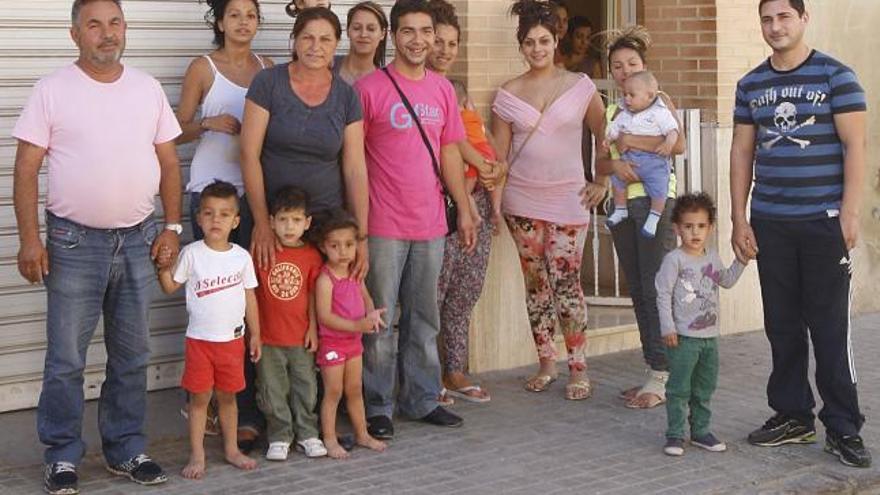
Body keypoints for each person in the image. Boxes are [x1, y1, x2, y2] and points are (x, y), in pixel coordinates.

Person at [12, 1, 181, 492]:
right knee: (66, 359)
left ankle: (126, 448)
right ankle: (62, 455)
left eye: (115, 23)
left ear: (125, 28)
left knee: (132, 354)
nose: (107, 34)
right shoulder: (52, 90)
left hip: (138, 240)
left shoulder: (146, 89)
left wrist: (172, 226)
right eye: (95, 25)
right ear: (74, 35)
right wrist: (29, 239)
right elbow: (25, 168)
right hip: (72, 242)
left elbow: (169, 163)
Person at [731, 0, 871, 468]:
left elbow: (856, 146)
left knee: (829, 327)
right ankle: (792, 415)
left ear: (803, 19)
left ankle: (843, 425)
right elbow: (741, 152)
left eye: (784, 17)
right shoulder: (750, 84)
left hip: (822, 220)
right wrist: (739, 216)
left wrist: (849, 214)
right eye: (767, 19)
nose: (775, 27)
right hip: (771, 221)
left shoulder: (837, 76)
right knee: (782, 325)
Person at [355, 0, 476, 439]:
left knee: (425, 317)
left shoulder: (442, 90)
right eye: (408, 31)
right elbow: (353, 161)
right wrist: (359, 227)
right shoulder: (369, 88)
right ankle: (377, 406)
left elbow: (448, 152)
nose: (419, 40)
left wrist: (463, 207)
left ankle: (422, 399)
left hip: (430, 224)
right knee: (381, 320)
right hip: (383, 223)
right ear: (393, 35)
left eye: (426, 32)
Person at [492, 0, 607, 401]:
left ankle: (578, 367)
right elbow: (498, 158)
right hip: (520, 200)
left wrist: (603, 179)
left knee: (567, 283)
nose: (537, 48)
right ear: (520, 45)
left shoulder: (580, 86)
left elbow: (606, 133)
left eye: (543, 40)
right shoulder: (508, 93)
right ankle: (546, 362)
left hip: (569, 198)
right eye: (529, 42)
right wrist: (492, 206)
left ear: (555, 39)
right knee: (536, 283)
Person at [594, 26, 687, 410]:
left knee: (655, 289)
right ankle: (654, 369)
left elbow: (677, 144)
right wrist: (614, 160)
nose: (623, 70)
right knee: (637, 288)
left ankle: (666, 375)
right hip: (624, 206)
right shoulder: (614, 110)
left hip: (655, 207)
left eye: (631, 63)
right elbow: (600, 163)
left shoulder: (660, 105)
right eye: (616, 66)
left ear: (644, 67)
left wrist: (632, 143)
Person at [241, 6, 368, 275]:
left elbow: (355, 169)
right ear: (294, 40)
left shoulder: (346, 97)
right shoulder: (268, 83)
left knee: (325, 307)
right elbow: (248, 155)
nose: (315, 47)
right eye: (308, 37)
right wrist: (263, 223)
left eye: (325, 39)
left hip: (326, 226)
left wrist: (360, 236)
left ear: (336, 44)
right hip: (276, 219)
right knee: (272, 305)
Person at [426, 0, 506, 405]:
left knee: (464, 292)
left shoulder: (459, 92)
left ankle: (454, 368)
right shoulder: (417, 90)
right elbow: (447, 150)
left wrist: (494, 173)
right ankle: (426, 377)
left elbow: (482, 144)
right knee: (429, 297)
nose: (443, 50)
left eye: (451, 43)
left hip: (473, 203)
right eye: (436, 41)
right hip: (437, 209)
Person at [156, 181, 261, 479]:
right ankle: (197, 455)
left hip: (232, 342)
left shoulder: (241, 257)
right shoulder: (191, 253)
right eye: (209, 213)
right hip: (200, 343)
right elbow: (170, 286)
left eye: (224, 214)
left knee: (229, 398)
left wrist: (257, 334)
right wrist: (161, 267)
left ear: (236, 221)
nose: (216, 220)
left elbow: (250, 298)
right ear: (199, 218)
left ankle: (231, 449)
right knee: (199, 400)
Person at [655, 193, 745, 457]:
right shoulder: (674, 260)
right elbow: (662, 294)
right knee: (679, 389)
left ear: (710, 228)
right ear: (677, 228)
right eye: (688, 226)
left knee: (704, 387)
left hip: (709, 338)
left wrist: (743, 260)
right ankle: (674, 435)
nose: (695, 232)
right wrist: (667, 328)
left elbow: (726, 280)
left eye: (701, 226)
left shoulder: (712, 258)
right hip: (682, 338)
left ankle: (701, 432)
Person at [176, 0, 272, 242]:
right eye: (234, 15)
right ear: (220, 23)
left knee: (249, 271)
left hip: (254, 190)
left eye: (251, 15)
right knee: (212, 271)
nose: (243, 22)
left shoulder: (267, 68)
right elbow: (174, 133)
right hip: (210, 189)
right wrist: (207, 123)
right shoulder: (203, 68)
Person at [253, 187, 327, 461]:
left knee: (305, 386)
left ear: (307, 223)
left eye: (296, 220)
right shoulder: (262, 251)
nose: (289, 227)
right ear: (271, 221)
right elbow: (252, 292)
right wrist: (255, 333)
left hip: (300, 337)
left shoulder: (311, 256)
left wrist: (313, 329)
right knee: (272, 390)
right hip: (269, 338)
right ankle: (280, 435)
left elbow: (312, 294)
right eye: (283, 220)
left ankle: (308, 433)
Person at [314, 212, 389, 459]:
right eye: (335, 246)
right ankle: (329, 438)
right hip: (333, 345)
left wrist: (372, 313)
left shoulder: (354, 272)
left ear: (357, 244)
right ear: (324, 247)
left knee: (355, 389)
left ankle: (362, 434)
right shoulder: (326, 279)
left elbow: (365, 297)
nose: (343, 251)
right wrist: (358, 325)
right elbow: (324, 316)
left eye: (348, 244)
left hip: (353, 344)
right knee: (333, 391)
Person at [604, 71, 679, 238]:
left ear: (650, 96)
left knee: (659, 187)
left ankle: (654, 217)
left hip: (654, 161)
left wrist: (668, 143)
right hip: (631, 160)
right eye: (625, 94)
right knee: (617, 180)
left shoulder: (660, 112)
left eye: (632, 95)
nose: (627, 99)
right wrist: (608, 139)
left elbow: (673, 131)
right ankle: (621, 209)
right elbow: (614, 130)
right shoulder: (624, 114)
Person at [333, 1, 388, 85]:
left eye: (371, 29)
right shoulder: (327, 65)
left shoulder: (385, 82)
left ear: (382, 34)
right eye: (357, 28)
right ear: (348, 31)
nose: (363, 34)